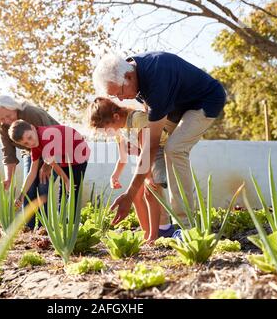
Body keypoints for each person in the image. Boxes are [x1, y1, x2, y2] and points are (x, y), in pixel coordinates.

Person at [92, 51, 226, 232]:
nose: (121, 100)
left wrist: (130, 194)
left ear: (129, 77)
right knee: (152, 171)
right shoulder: (133, 73)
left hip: (205, 102)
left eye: (120, 93)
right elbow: (150, 135)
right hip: (176, 107)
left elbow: (150, 146)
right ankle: (163, 227)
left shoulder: (156, 80)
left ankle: (186, 228)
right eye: (116, 97)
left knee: (174, 149)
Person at [89, 97, 177, 242]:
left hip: (158, 151)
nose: (106, 134)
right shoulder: (119, 130)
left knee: (151, 191)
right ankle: (146, 233)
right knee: (135, 195)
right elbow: (123, 157)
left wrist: (147, 176)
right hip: (145, 156)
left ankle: (154, 236)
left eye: (106, 129)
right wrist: (115, 175)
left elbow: (148, 150)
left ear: (116, 117)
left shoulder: (137, 119)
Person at [0, 95, 60, 228]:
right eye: (2, 118)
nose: (7, 120)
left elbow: (52, 137)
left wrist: (47, 166)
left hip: (54, 148)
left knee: (43, 186)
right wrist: (9, 178)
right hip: (32, 152)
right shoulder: (4, 128)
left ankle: (44, 229)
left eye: (9, 115)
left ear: (14, 108)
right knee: (28, 189)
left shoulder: (31, 114)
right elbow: (9, 154)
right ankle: (29, 228)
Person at [8, 120, 90, 213]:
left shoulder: (46, 137)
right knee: (63, 192)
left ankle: (72, 224)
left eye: (30, 137)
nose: (30, 143)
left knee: (73, 190)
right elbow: (32, 173)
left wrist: (67, 181)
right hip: (64, 158)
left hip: (79, 156)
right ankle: (62, 223)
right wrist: (21, 196)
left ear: (33, 128)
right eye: (25, 143)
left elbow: (53, 163)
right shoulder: (35, 146)